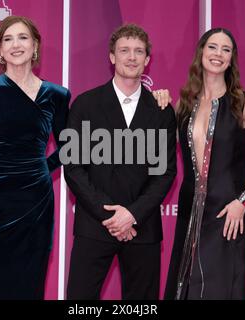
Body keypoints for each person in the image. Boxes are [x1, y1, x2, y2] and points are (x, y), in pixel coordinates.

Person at [164, 28, 245, 300]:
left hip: (228, 215)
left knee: (222, 290)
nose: (218, 54)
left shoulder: (244, 102)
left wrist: (242, 202)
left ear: (231, 59)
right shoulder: (185, 103)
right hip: (189, 215)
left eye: (225, 49)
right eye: (212, 47)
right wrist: (158, 101)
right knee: (184, 289)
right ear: (201, 53)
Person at [0, 15, 71, 299]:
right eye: (7, 39)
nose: (15, 44)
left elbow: (72, 146)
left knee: (29, 286)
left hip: (35, 203)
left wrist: (40, 168)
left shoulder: (57, 95)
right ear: (0, 50)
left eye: (22, 37)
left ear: (35, 46)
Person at [64, 24, 177, 300]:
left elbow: (165, 173)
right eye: (124, 50)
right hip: (94, 225)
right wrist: (111, 217)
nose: (131, 57)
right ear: (112, 57)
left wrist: (132, 214)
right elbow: (73, 168)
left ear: (147, 60)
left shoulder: (161, 111)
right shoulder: (85, 104)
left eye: (139, 51)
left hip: (143, 227)